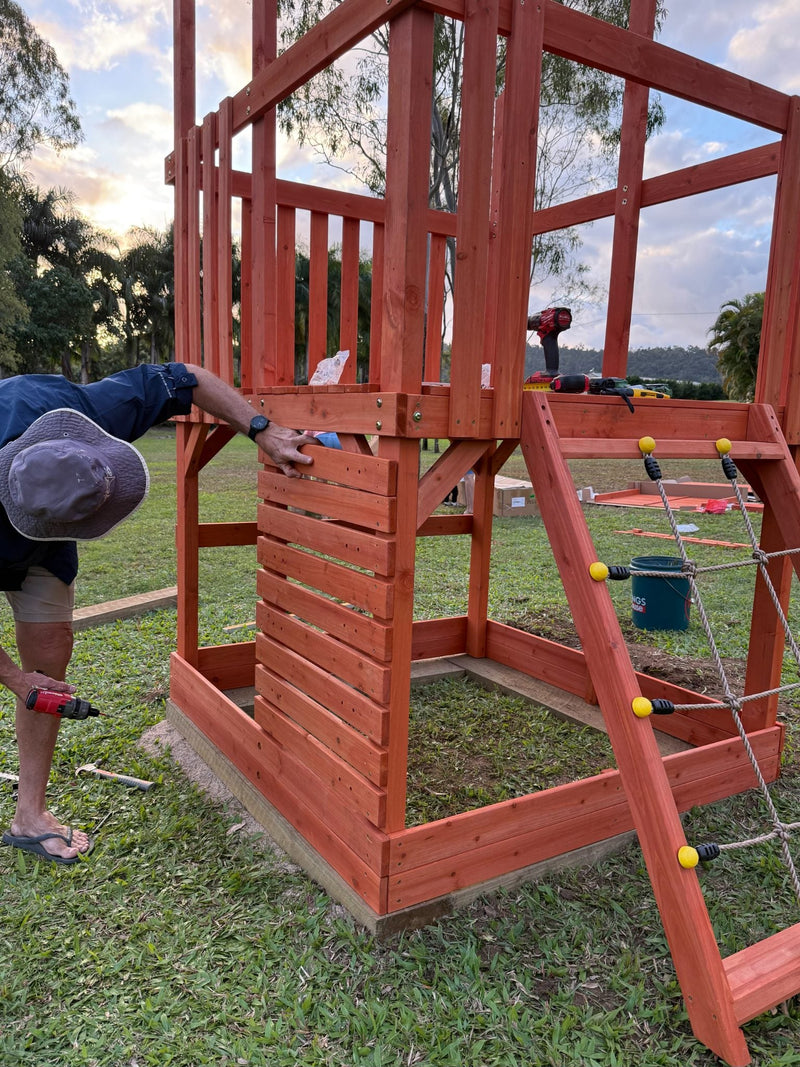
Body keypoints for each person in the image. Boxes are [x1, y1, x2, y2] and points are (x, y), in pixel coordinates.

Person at [0, 361, 313, 864]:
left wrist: (261, 429)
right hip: (12, 527)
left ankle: (29, 816)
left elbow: (185, 376)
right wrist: (13, 677)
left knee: (51, 655)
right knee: (25, 676)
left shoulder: (88, 414)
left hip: (40, 536)